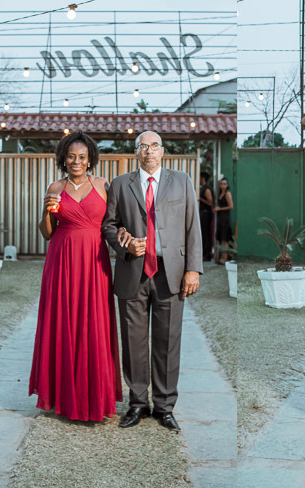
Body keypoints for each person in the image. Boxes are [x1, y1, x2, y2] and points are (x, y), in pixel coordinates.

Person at [103, 131, 203, 432]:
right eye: (143, 146)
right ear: (136, 152)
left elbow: (192, 227)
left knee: (168, 341)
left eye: (154, 146)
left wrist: (193, 269)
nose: (149, 151)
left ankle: (164, 406)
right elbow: (109, 225)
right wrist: (124, 246)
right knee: (133, 342)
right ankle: (137, 404)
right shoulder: (121, 184)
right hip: (132, 271)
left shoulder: (181, 181)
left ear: (163, 151)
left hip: (170, 272)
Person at [30, 131, 122, 421]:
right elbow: (47, 233)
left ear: (91, 158)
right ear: (63, 158)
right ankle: (62, 396)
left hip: (94, 262)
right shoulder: (56, 186)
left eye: (82, 157)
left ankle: (94, 396)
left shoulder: (103, 185)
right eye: (71, 156)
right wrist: (47, 212)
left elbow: (113, 224)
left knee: (93, 322)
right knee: (62, 322)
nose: (77, 161)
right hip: (62, 261)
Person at [214, 177, 234, 264]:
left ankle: (225, 258)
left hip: (225, 218)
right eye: (222, 184)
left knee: (225, 238)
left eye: (225, 184)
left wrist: (220, 209)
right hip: (220, 218)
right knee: (221, 238)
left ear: (227, 185)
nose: (223, 185)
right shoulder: (220, 194)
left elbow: (231, 206)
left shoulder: (227, 194)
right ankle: (222, 256)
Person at [198, 171, 214, 261]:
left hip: (206, 213)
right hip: (203, 213)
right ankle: (205, 253)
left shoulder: (207, 189)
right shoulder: (203, 188)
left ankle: (207, 254)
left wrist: (199, 199)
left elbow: (210, 202)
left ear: (202, 178)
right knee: (203, 233)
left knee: (206, 234)